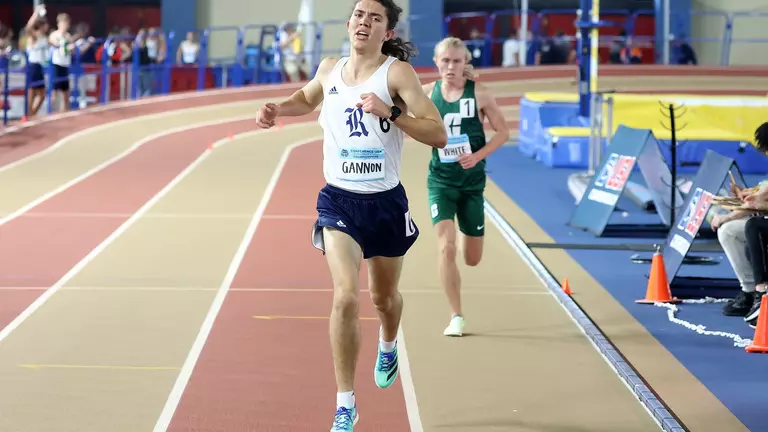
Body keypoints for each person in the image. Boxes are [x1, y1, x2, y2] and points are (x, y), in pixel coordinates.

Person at [254, 1, 447, 430]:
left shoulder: (397, 74)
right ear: (348, 24)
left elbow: (438, 133)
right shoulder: (329, 68)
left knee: (383, 299)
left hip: (385, 203)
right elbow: (306, 98)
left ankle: (388, 342)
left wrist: (391, 112)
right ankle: (345, 404)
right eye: (359, 15)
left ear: (387, 33)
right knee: (344, 296)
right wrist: (277, 109)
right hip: (338, 201)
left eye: (375, 18)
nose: (364, 22)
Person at [421, 37, 509, 337]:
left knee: (472, 259)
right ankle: (456, 316)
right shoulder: (427, 94)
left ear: (465, 63)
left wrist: (477, 156)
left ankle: (464, 231)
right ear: (436, 62)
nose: (450, 66)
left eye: (456, 61)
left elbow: (503, 132)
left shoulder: (480, 94)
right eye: (445, 60)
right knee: (445, 248)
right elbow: (398, 105)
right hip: (440, 181)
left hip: (471, 185)